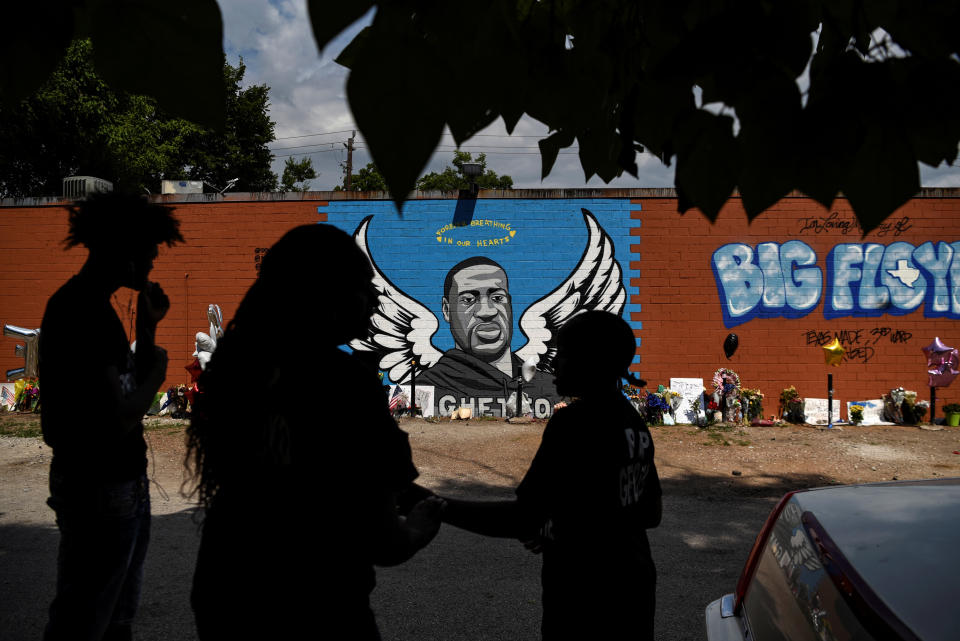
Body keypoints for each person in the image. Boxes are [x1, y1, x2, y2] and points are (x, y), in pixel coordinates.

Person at [185, 224, 442, 640]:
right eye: (363, 285)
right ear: (327, 296)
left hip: (227, 590)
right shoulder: (346, 384)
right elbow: (384, 542)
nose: (376, 298)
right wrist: (419, 527)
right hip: (319, 606)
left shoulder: (241, 373)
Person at [438, 310, 662, 639]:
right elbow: (649, 512)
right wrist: (563, 523)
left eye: (564, 355)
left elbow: (523, 518)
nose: (553, 365)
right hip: (633, 589)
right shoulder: (633, 422)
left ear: (592, 361)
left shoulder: (574, 423)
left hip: (584, 597)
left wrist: (438, 506)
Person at [40, 191, 182, 641]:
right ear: (124, 253)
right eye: (149, 253)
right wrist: (158, 372)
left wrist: (146, 328)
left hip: (113, 484)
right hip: (100, 486)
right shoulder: (82, 312)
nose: (153, 263)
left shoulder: (91, 306)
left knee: (113, 617)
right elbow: (119, 417)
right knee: (85, 622)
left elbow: (119, 391)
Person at [417, 256, 556, 416]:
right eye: (468, 300)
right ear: (446, 310)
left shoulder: (549, 388)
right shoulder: (425, 389)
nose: (487, 311)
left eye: (497, 298)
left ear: (509, 304)